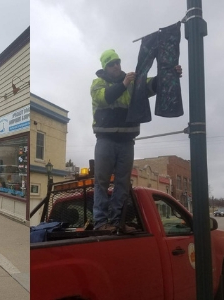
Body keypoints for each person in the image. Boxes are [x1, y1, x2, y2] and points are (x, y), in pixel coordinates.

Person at [90, 49, 182, 232]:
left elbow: (150, 85)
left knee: (122, 183)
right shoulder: (98, 83)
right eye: (111, 63)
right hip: (105, 140)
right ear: (105, 67)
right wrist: (124, 83)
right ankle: (100, 223)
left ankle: (116, 222)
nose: (116, 65)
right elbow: (104, 98)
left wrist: (170, 74)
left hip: (127, 141)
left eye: (117, 61)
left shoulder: (133, 81)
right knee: (101, 181)